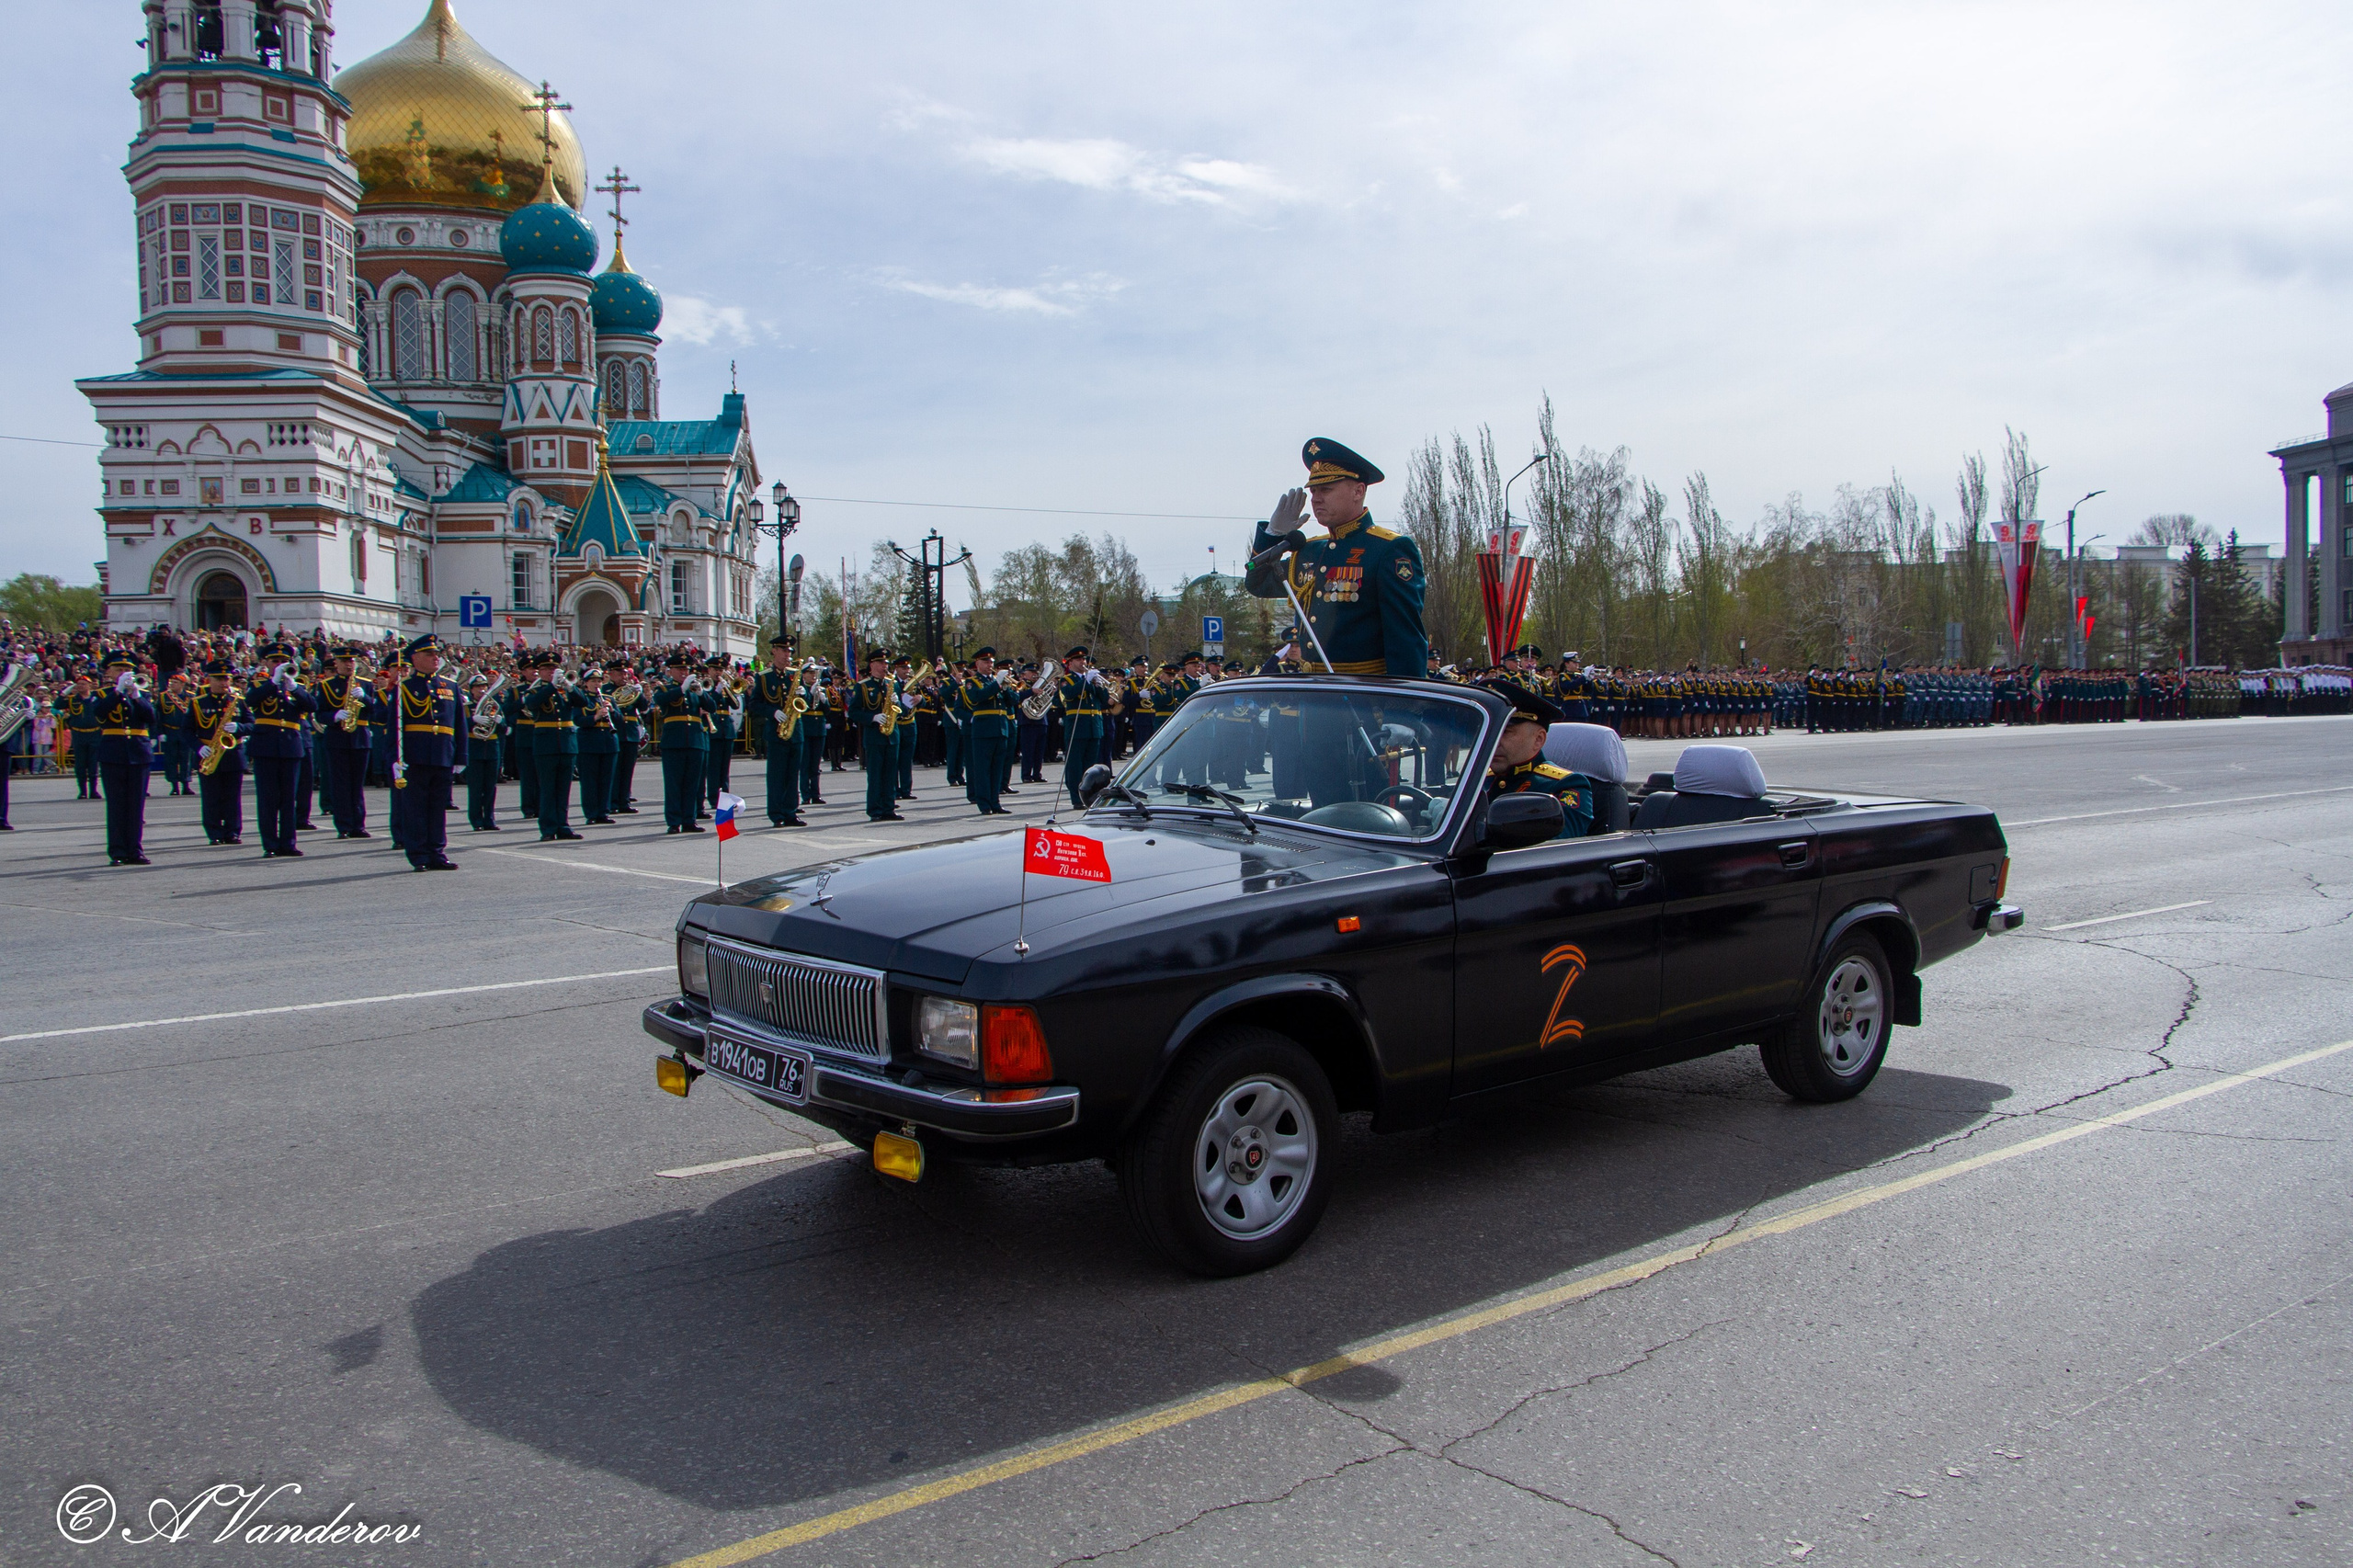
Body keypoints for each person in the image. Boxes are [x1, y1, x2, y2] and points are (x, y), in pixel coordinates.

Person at [1245, 437, 1427, 677]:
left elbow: (1405, 642)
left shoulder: (1388, 550)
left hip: (1364, 695)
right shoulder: (1309, 550)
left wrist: (1402, 708)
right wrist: (1273, 535)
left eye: (1326, 490)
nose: (1316, 498)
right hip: (1312, 695)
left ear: (1358, 491)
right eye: (1314, 491)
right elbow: (1258, 583)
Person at [1480, 680, 1594, 838]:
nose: (1494, 740)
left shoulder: (1565, 786)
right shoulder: (1480, 779)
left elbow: (1555, 848)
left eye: (1505, 732)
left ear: (1538, 740)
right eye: (1491, 730)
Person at [388, 633, 464, 871]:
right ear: (414, 658)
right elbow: (395, 727)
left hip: (442, 754)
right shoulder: (404, 688)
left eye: (436, 654)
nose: (435, 658)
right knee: (415, 809)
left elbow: (458, 725)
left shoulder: (450, 686)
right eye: (429, 654)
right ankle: (419, 854)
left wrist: (461, 757)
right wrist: (395, 759)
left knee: (437, 808)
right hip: (415, 756)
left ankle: (437, 852)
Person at [244, 642, 314, 858]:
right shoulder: (258, 684)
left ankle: (288, 843)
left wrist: (294, 688)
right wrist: (273, 683)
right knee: (268, 799)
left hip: (291, 747)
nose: (280, 665)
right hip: (266, 747)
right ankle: (270, 844)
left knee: (288, 798)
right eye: (275, 661)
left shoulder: (296, 685)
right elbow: (251, 702)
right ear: (266, 663)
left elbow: (312, 706)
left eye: (283, 661)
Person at [316, 644, 383, 838]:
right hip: (337, 738)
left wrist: (366, 698)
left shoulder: (365, 684)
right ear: (336, 663)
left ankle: (358, 825)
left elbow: (375, 711)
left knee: (357, 784)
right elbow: (320, 714)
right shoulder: (327, 685)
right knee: (340, 784)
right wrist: (334, 716)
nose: (349, 664)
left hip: (360, 737)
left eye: (351, 661)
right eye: (344, 661)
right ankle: (343, 825)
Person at [96, 655, 157, 865]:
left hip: (138, 753)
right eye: (118, 668)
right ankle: (118, 851)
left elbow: (151, 718)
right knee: (116, 805)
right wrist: (118, 692)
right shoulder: (102, 694)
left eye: (127, 668)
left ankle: (135, 849)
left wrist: (136, 695)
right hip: (113, 752)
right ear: (110, 672)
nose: (123, 672)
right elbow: (99, 713)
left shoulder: (142, 694)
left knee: (136, 805)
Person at [523, 652, 585, 841]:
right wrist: (551, 687)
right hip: (546, 744)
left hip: (566, 744)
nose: (551, 672)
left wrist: (570, 687)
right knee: (548, 788)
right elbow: (532, 704)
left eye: (554, 668)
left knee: (563, 789)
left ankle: (563, 825)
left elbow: (583, 702)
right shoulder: (535, 690)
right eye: (547, 669)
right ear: (539, 671)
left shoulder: (565, 689)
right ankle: (548, 827)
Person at [185, 657, 245, 845]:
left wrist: (240, 728)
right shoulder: (198, 703)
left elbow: (252, 724)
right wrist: (199, 747)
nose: (223, 683)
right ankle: (214, 833)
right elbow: (186, 730)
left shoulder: (238, 701)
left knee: (232, 796)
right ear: (209, 680)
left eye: (226, 678)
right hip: (209, 754)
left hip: (232, 754)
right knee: (211, 797)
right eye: (219, 678)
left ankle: (232, 831)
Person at [748, 637, 806, 827]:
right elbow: (754, 704)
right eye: (784, 651)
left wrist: (803, 691)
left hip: (795, 731)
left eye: (789, 651)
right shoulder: (764, 676)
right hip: (776, 731)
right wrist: (773, 712)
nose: (787, 655)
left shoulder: (793, 674)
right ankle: (776, 813)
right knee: (776, 775)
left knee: (792, 775)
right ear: (774, 651)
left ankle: (790, 812)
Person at [652, 653, 712, 833]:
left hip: (695, 740)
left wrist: (702, 694)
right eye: (680, 669)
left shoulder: (694, 690)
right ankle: (674, 821)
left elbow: (712, 708)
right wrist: (681, 689)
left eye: (686, 669)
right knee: (674, 784)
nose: (684, 672)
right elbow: (660, 701)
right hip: (674, 742)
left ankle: (689, 820)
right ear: (671, 671)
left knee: (692, 784)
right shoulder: (665, 689)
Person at [954, 647, 1014, 815]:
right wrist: (997, 684)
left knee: (997, 769)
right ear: (978, 664)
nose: (990, 665)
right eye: (986, 662)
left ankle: (995, 802)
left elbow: (1012, 701)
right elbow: (977, 697)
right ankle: (984, 804)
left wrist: (1004, 687)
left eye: (991, 662)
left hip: (1000, 729)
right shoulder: (973, 682)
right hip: (983, 731)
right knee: (982, 770)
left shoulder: (997, 681)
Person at [848, 650, 905, 822]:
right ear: (872, 665)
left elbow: (902, 712)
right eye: (881, 663)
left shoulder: (892, 684)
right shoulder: (863, 686)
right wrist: (872, 718)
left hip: (892, 736)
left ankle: (889, 808)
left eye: (886, 664)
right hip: (874, 737)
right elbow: (853, 712)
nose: (884, 666)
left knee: (890, 775)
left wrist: (898, 703)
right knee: (875, 775)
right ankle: (875, 810)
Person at [1057, 646, 1110, 810]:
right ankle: (1076, 798)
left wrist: (1099, 685)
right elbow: (1070, 693)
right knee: (1075, 764)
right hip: (1077, 726)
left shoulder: (1091, 679)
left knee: (1090, 765)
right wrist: (1086, 681)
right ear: (1071, 662)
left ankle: (1090, 796)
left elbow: (1105, 700)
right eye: (1079, 659)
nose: (1083, 662)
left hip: (1094, 726)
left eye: (1084, 659)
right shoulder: (1067, 679)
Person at [576, 664, 620, 824]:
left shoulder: (609, 699)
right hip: (589, 743)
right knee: (589, 781)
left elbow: (620, 720)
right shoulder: (581, 699)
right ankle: (591, 813)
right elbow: (577, 720)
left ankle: (603, 812)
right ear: (586, 683)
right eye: (593, 681)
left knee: (606, 779)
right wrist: (594, 718)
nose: (597, 684)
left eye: (599, 681)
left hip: (608, 743)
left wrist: (612, 711)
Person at [463, 671, 504, 830]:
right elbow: (458, 726)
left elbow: (503, 729)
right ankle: (476, 820)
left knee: (490, 787)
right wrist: (472, 719)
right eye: (478, 687)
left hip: (492, 748)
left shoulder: (493, 705)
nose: (481, 689)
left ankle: (489, 819)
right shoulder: (466, 707)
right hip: (474, 748)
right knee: (475, 788)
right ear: (471, 689)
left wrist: (500, 722)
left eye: (484, 686)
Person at [704, 655, 739, 812]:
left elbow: (736, 704)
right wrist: (717, 691)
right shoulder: (706, 686)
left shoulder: (725, 685)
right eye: (716, 669)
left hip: (727, 729)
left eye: (721, 670)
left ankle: (724, 798)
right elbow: (707, 703)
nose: (718, 672)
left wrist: (729, 689)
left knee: (725, 768)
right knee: (714, 767)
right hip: (714, 728)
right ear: (709, 670)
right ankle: (713, 798)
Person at [60, 671, 102, 800]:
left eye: (84, 684)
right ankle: (82, 791)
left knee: (93, 764)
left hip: (95, 733)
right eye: (79, 684)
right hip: (79, 734)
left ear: (90, 685)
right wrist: (65, 692)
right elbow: (58, 705)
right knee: (80, 765)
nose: (81, 686)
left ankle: (93, 790)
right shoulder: (73, 700)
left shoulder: (97, 697)